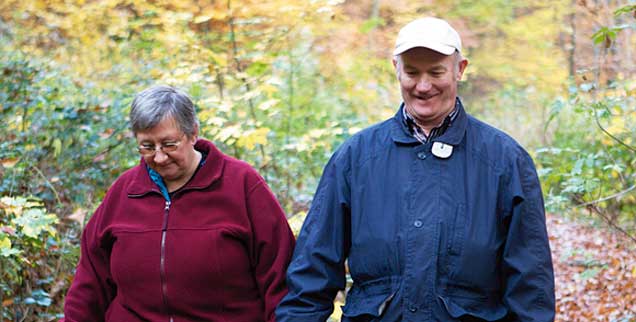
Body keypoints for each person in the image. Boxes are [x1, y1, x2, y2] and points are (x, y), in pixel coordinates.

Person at [276, 17, 555, 321]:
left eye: (436, 72)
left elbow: (532, 290)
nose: (423, 86)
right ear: (396, 68)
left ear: (459, 69)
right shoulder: (354, 159)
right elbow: (310, 277)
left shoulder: (506, 162)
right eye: (411, 72)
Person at [63, 85, 295, 322]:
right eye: (147, 146)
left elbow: (280, 282)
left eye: (169, 144)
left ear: (193, 133)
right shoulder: (124, 191)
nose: (159, 157)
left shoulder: (242, 185)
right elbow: (90, 284)